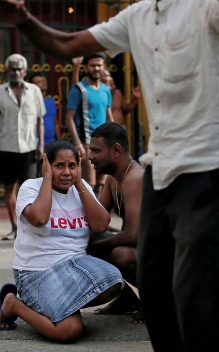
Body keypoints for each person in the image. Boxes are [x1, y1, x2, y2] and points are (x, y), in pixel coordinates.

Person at [0, 0, 219, 350]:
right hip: (162, 164)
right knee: (154, 287)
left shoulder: (203, 6)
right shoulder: (136, 16)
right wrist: (23, 19)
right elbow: (65, 44)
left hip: (209, 160)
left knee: (195, 287)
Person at [0, 140, 123, 342]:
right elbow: (39, 218)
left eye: (72, 165)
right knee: (69, 330)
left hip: (75, 265)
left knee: (114, 281)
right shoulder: (31, 187)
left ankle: (60, 308)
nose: (67, 172)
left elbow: (101, 225)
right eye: (59, 166)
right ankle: (13, 304)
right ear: (47, 165)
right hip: (36, 272)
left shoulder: (81, 187)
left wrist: (80, 182)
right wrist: (46, 179)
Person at [86, 123, 143, 322]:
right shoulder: (112, 179)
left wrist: (95, 246)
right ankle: (127, 298)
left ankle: (153, 300)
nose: (90, 156)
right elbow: (96, 221)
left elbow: (133, 235)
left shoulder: (135, 177)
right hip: (139, 248)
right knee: (86, 235)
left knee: (121, 254)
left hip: (159, 256)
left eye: (95, 150)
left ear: (116, 150)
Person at [0, 54, 45, 240]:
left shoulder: (34, 91)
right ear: (7, 71)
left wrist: (41, 144)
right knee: (9, 189)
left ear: (24, 71)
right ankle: (15, 227)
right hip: (5, 147)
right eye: (13, 69)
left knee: (29, 190)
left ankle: (28, 228)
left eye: (19, 69)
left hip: (29, 148)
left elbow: (39, 120)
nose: (16, 72)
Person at [66, 53, 113, 196]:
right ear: (86, 67)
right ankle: (84, 217)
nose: (96, 68)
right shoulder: (79, 89)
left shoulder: (106, 90)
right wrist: (78, 144)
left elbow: (109, 117)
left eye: (99, 65)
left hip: (104, 143)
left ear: (103, 67)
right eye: (93, 65)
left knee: (101, 183)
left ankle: (94, 216)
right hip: (87, 143)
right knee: (88, 184)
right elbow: (69, 118)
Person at [30, 73, 60, 145]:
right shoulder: (30, 102)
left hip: (51, 141)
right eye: (39, 82)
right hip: (35, 142)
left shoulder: (50, 101)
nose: (43, 83)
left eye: (42, 80)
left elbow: (55, 123)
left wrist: (59, 140)